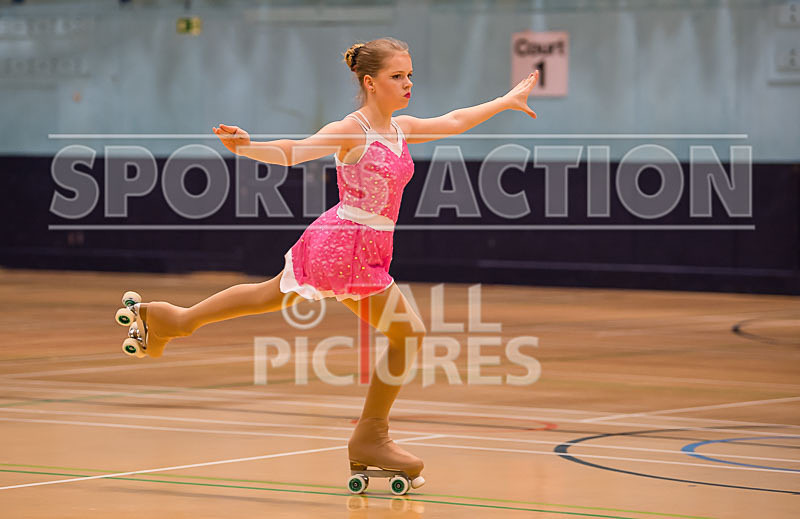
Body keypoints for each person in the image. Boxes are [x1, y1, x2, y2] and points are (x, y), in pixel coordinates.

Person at [119, 37, 538, 489]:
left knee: (267, 295)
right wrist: (248, 147)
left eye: (410, 75)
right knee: (408, 332)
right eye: (398, 76)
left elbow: (455, 120)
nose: (407, 83)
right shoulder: (351, 130)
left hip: (358, 244)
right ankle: (371, 436)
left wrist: (505, 101)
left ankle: (170, 320)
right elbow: (297, 150)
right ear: (370, 83)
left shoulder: (401, 129)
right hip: (347, 246)